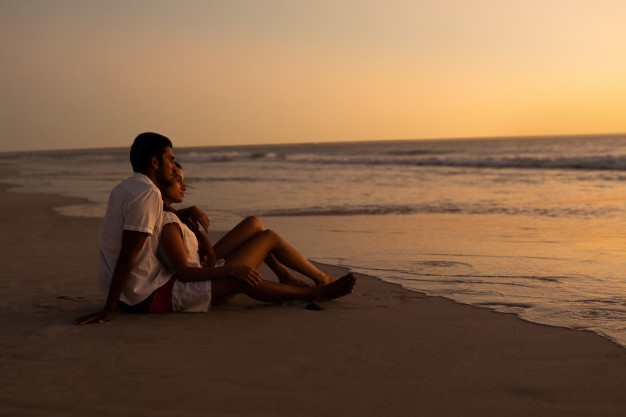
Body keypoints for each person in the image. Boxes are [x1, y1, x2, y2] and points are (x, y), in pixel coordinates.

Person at [155, 165, 357, 312]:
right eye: (179, 180)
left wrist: (191, 217)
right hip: (206, 281)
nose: (184, 187)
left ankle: (286, 276)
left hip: (203, 267)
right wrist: (232, 270)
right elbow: (184, 272)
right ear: (163, 185)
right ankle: (321, 280)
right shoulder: (167, 223)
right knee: (268, 237)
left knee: (253, 224)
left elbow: (172, 218)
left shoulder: (169, 213)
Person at [74, 132, 208, 324]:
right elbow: (128, 253)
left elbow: (156, 216)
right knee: (238, 281)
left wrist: (189, 216)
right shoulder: (148, 194)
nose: (173, 167)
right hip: (146, 294)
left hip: (127, 295)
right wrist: (108, 309)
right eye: (170, 160)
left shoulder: (124, 188)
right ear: (155, 162)